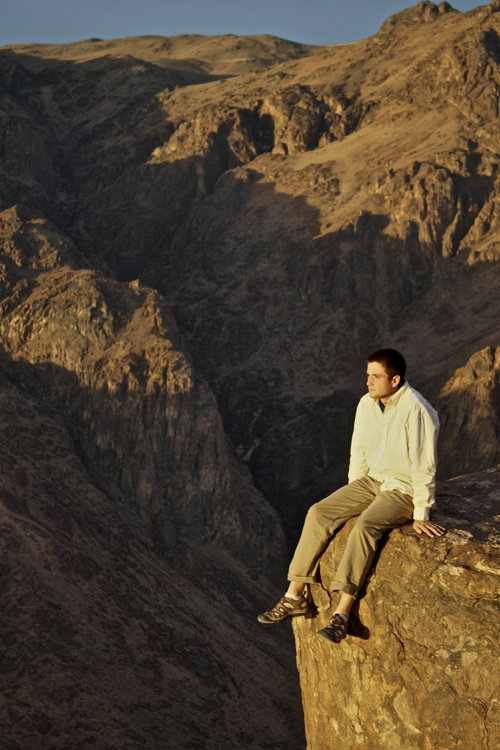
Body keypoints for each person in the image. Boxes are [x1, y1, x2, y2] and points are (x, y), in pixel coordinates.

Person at [258, 349, 445, 644]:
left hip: (402, 488)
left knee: (365, 527)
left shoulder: (417, 410)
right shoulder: (366, 404)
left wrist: (422, 512)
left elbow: (424, 466)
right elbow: (357, 451)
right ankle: (294, 595)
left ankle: (341, 615)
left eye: (375, 376)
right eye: (367, 375)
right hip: (371, 481)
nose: (368, 382)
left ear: (394, 380)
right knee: (318, 512)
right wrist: (352, 494)